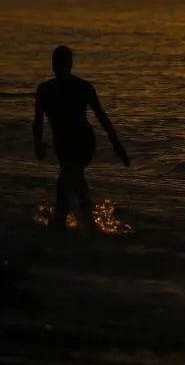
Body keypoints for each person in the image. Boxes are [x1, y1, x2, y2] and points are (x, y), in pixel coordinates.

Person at [34, 45, 129, 231]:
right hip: (62, 144)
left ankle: (69, 225)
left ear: (69, 65)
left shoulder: (82, 87)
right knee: (71, 180)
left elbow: (101, 116)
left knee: (69, 178)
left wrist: (116, 144)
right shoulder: (45, 90)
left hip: (82, 141)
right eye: (56, 62)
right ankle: (83, 224)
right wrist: (37, 143)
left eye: (62, 62)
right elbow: (37, 121)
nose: (59, 66)